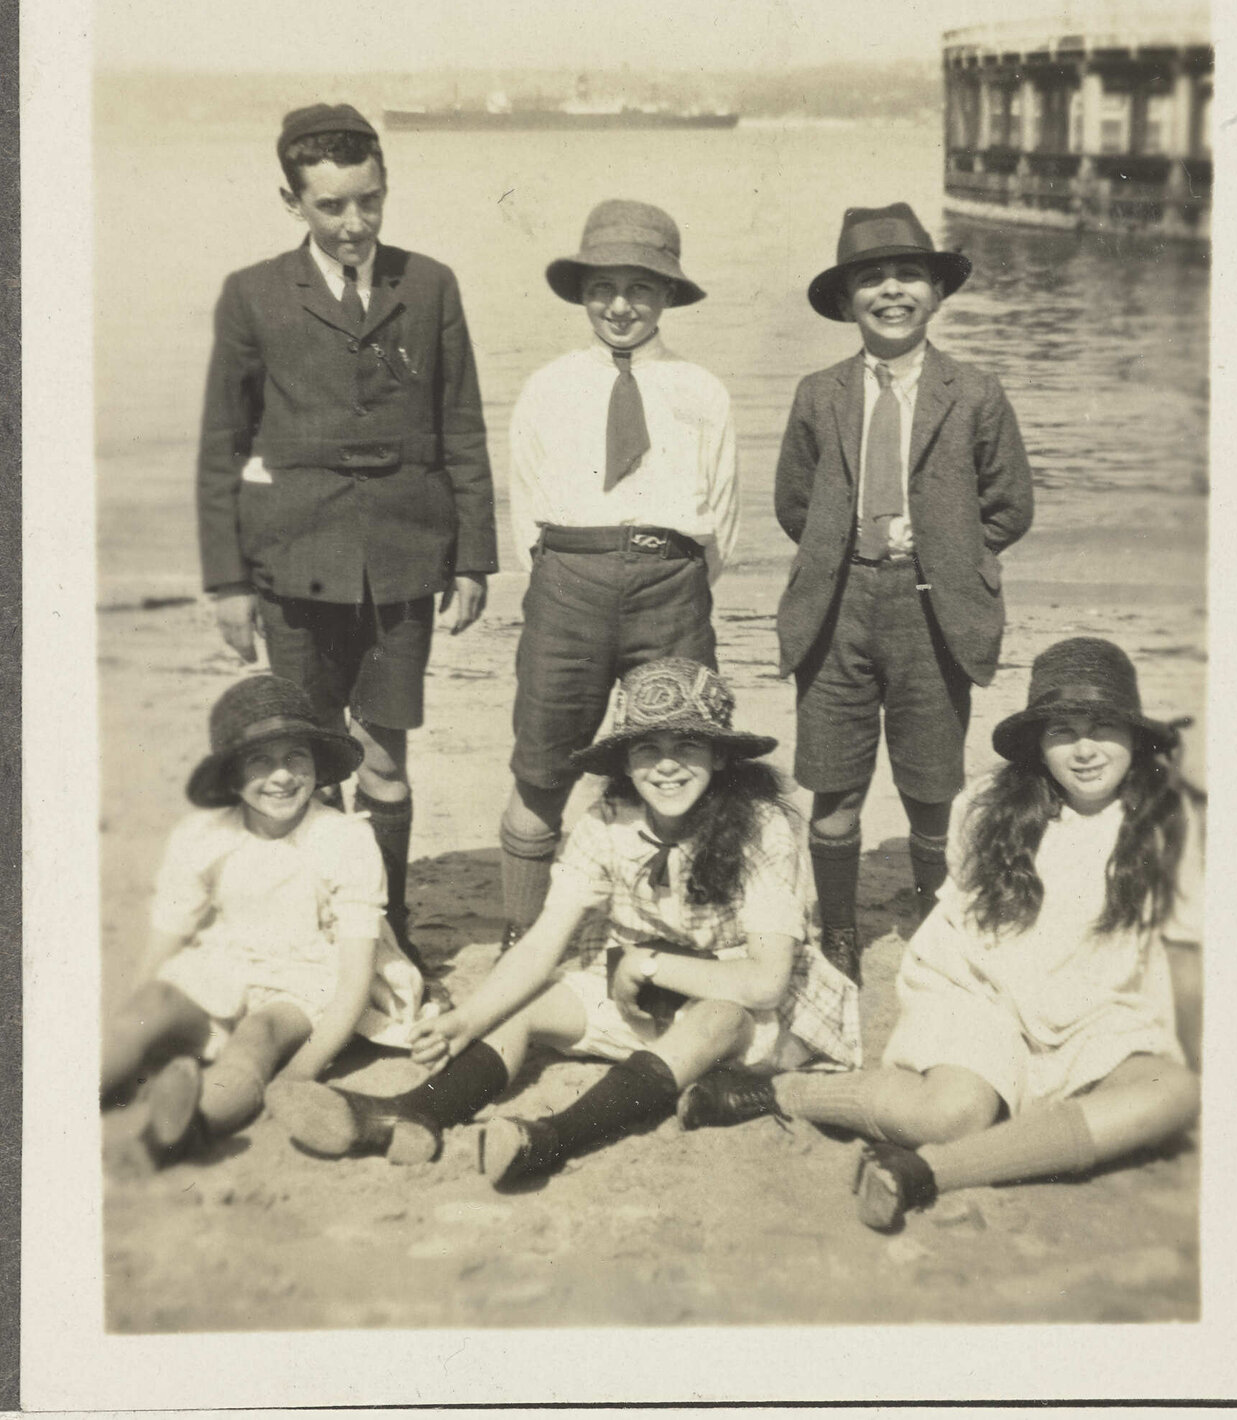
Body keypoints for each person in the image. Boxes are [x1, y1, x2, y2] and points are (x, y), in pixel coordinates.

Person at [678, 637, 1203, 1234]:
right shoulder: (990, 806)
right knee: (954, 1111)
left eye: (1104, 726)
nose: (1084, 750)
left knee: (1174, 1094)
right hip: (981, 992)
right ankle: (787, 1092)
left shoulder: (1166, 820)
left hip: (1102, 1012)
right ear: (1039, 744)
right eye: (1063, 732)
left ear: (1135, 736)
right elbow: (977, 938)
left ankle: (924, 1173)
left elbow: (1184, 956)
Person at [268, 657, 860, 1184]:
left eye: (688, 746)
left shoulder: (763, 827)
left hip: (751, 1018)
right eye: (646, 750)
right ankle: (412, 1110)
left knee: (718, 1016)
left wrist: (644, 962)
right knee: (526, 1002)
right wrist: (470, 1018)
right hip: (642, 996)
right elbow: (545, 940)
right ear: (625, 763)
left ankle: (551, 1138)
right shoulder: (610, 820)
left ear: (722, 754)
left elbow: (764, 982)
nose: (666, 768)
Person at [196, 103, 498, 961]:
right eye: (331, 207)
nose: (353, 223)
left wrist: (472, 556)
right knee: (302, 754)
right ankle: (315, 933)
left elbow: (462, 424)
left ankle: (390, 932)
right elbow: (223, 444)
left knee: (385, 758)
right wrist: (227, 582)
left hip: (403, 564)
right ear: (293, 203)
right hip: (293, 566)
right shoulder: (253, 294)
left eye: (368, 201)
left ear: (384, 188)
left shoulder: (430, 284)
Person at [774, 203, 1034, 975]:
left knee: (930, 787)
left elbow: (1010, 504)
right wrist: (843, 552)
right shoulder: (818, 393)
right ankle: (840, 935)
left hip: (932, 611)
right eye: (870, 279)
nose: (891, 292)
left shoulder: (974, 391)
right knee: (833, 788)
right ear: (846, 298)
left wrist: (948, 553)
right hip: (837, 609)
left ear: (935, 292)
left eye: (908, 275)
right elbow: (794, 504)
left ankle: (933, 917)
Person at [496, 200, 739, 948]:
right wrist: (574, 574)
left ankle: (676, 929)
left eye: (641, 288)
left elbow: (720, 518)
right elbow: (526, 507)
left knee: (679, 760)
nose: (620, 305)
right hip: (569, 581)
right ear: (581, 294)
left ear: (667, 295)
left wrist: (669, 576)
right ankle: (520, 932)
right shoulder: (548, 386)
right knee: (543, 763)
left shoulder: (701, 389)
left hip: (669, 587)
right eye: (602, 287)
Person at [101, 675, 425, 1161]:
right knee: (154, 999)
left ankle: (179, 1131)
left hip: (310, 974)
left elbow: (353, 979)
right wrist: (149, 1023)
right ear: (232, 777)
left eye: (296, 756)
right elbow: (167, 938)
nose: (281, 777)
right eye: (260, 760)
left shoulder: (343, 839)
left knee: (258, 1038)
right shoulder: (205, 836)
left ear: (317, 765)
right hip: (227, 960)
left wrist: (300, 1072)